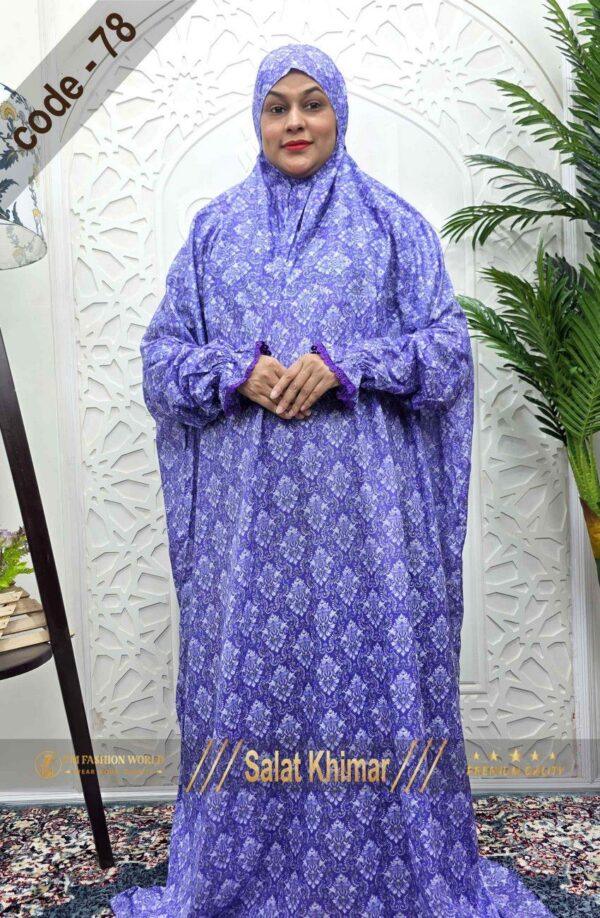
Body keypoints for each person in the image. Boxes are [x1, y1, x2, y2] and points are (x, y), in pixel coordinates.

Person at [110, 43, 552, 917]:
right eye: (277, 107)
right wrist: (236, 370)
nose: (295, 123)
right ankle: (242, 878)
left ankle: (396, 876)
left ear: (339, 113)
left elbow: (446, 353)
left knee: (379, 689)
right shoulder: (214, 231)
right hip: (249, 540)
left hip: (369, 536)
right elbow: (160, 361)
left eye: (312, 104)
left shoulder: (393, 226)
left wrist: (347, 362)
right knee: (250, 696)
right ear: (257, 119)